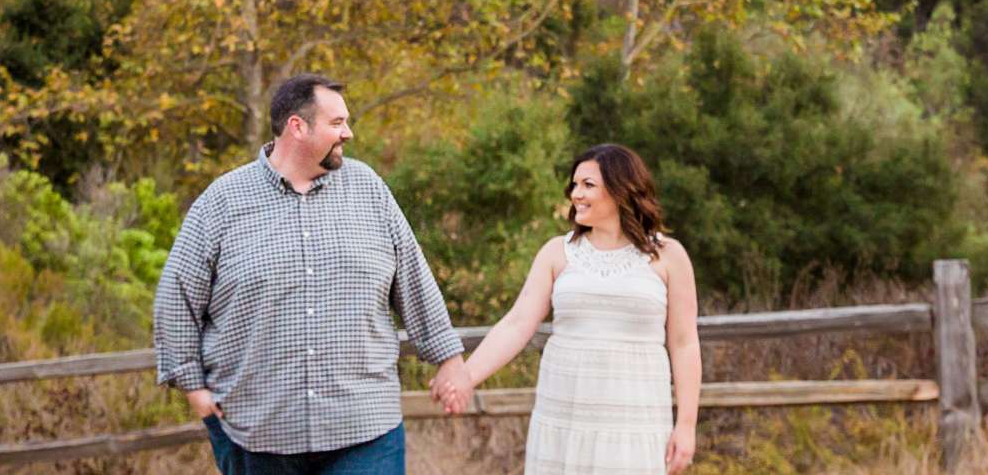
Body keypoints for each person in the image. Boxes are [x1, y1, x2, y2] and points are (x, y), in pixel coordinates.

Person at [154, 74, 473, 475]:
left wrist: (449, 358)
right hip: (257, 431)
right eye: (337, 123)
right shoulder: (221, 202)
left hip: (364, 428)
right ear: (297, 127)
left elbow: (413, 276)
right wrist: (193, 387)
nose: (349, 133)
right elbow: (176, 298)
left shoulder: (368, 189)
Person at [437, 143, 701, 475]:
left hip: (636, 418)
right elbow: (517, 324)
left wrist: (687, 425)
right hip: (566, 413)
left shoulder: (668, 256)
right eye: (574, 185)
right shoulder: (557, 253)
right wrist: (466, 377)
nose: (576, 194)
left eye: (588, 185)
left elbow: (684, 343)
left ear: (622, 189)